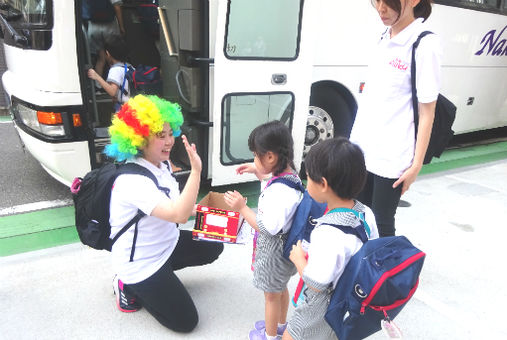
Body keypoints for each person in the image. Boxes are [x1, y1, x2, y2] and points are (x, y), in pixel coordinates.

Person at [105, 94, 224, 332]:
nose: (170, 141)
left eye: (170, 133)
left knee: (214, 245)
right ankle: (128, 285)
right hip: (142, 263)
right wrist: (196, 172)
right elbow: (178, 215)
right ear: (138, 140)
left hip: (166, 244)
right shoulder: (132, 181)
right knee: (186, 322)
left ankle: (163, 279)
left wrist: (201, 212)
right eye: (161, 136)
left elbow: (177, 205)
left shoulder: (163, 165)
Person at [349, 0, 441, 237]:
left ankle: (388, 274)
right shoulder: (383, 37)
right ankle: (362, 272)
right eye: (376, 1)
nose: (381, 9)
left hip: (392, 156)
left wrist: (416, 165)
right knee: (357, 215)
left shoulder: (423, 42)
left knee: (381, 224)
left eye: (389, 2)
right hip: (363, 148)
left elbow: (427, 112)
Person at [282, 137, 379, 340]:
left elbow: (317, 284)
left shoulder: (326, 232)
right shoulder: (365, 213)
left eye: (308, 177)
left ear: (323, 184)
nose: (307, 183)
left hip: (321, 310)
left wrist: (299, 260)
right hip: (349, 302)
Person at [224, 121, 302, 340]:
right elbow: (271, 184)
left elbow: (266, 227)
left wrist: (242, 208)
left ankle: (270, 337)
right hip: (285, 253)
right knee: (280, 289)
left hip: (273, 255)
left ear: (270, 157)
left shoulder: (279, 192)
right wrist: (257, 171)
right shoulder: (290, 177)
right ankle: (280, 325)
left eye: (256, 156)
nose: (254, 160)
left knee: (270, 297)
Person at [82, 0, 126, 81]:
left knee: (101, 58)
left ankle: (98, 86)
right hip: (109, 27)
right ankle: (115, 83)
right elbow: (117, 7)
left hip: (93, 27)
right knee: (114, 57)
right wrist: (121, 27)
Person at [87, 36, 132, 110]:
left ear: (107, 53)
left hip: (124, 109)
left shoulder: (115, 70)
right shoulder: (129, 67)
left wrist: (97, 77)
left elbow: (112, 91)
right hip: (133, 106)